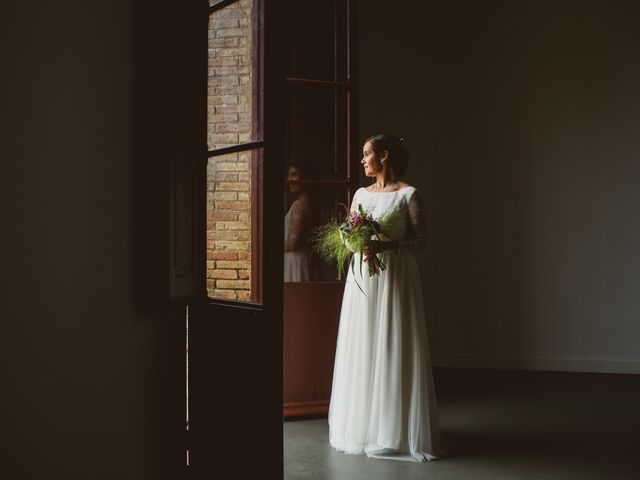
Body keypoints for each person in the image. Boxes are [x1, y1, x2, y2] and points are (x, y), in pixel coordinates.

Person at [328, 133, 445, 462]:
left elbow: (421, 242)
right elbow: (350, 238)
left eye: (367, 154)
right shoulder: (361, 194)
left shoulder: (409, 195)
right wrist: (350, 239)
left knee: (393, 343)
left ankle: (392, 429)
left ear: (384, 157)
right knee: (363, 344)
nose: (362, 160)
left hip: (396, 279)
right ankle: (362, 425)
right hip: (363, 278)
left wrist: (386, 246)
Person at [284, 163, 317, 282]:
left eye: (294, 175)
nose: (289, 179)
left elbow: (293, 242)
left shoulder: (298, 205)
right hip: (303, 259)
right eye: (288, 175)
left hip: (295, 260)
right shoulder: (308, 203)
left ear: (304, 178)